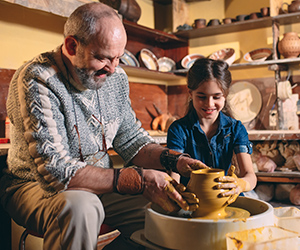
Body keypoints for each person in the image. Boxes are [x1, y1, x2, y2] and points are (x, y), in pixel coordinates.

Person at [0, 3, 208, 250]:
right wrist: (140, 180)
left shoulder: (116, 77)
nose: (112, 69)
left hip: (100, 187)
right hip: (35, 187)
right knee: (81, 207)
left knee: (174, 208)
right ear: (71, 46)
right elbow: (56, 172)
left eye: (118, 57)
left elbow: (131, 140)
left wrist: (174, 160)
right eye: (103, 58)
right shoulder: (39, 78)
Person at [167, 58, 257, 198]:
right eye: (202, 97)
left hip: (226, 195)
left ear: (225, 95)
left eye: (216, 97)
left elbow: (250, 176)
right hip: (191, 198)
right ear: (191, 94)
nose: (209, 104)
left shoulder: (236, 129)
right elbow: (174, 178)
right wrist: (177, 194)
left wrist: (241, 184)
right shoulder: (178, 130)